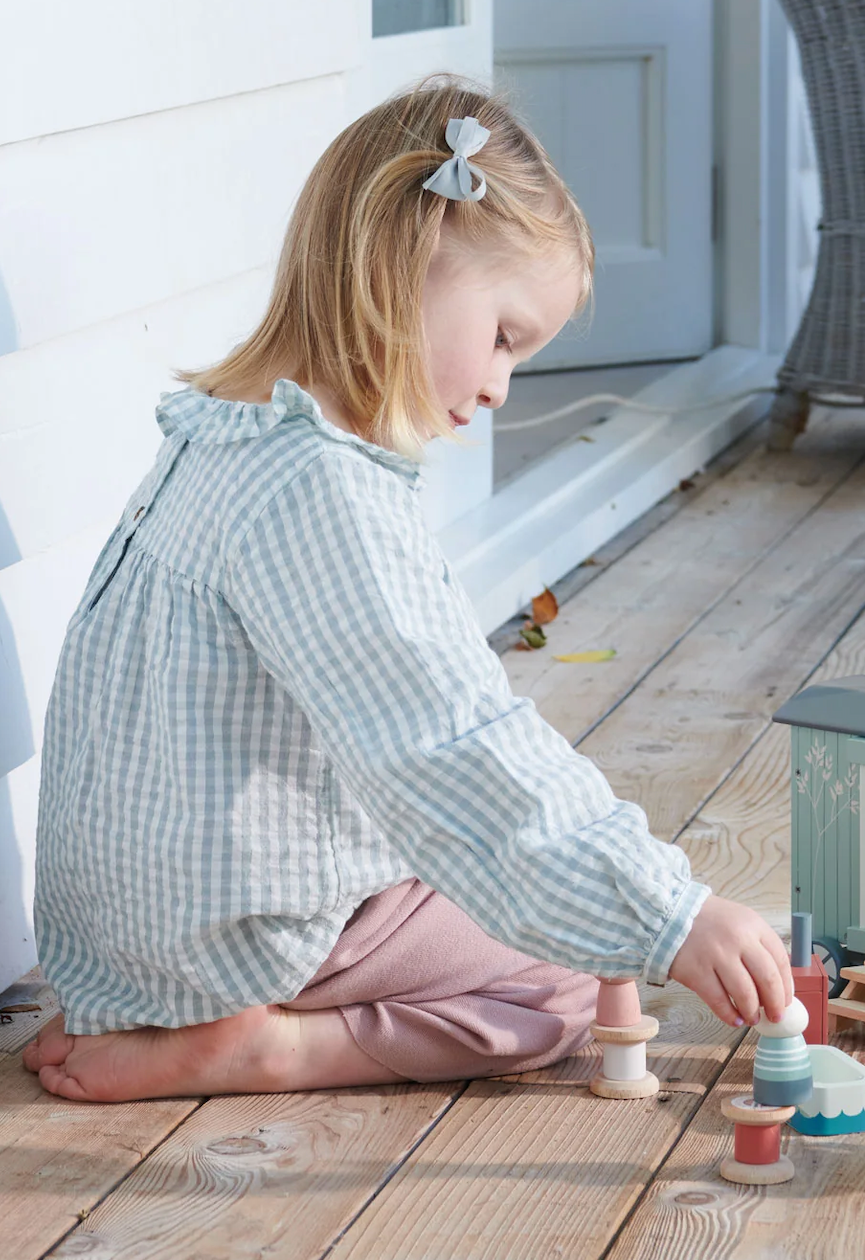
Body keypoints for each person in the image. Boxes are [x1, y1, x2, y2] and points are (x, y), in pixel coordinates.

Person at [23, 77, 792, 1104]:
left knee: (514, 881)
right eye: (506, 336)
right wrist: (669, 911)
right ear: (402, 264)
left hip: (124, 934)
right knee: (575, 974)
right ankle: (265, 1044)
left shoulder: (218, 433)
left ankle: (166, 1009)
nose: (499, 388)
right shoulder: (327, 495)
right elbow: (447, 745)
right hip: (232, 942)